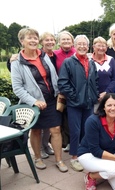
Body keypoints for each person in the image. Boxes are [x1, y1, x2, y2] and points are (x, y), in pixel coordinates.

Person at [11, 28, 67, 172]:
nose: (33, 41)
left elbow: (53, 76)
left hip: (51, 99)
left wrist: (58, 91)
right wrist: (33, 101)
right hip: (34, 103)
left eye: (35, 38)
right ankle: (37, 158)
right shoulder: (17, 62)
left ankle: (59, 160)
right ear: (22, 41)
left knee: (55, 129)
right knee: (36, 131)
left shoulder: (43, 55)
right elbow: (17, 88)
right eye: (29, 38)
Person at [77, 93, 115, 190]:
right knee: (114, 169)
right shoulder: (92, 121)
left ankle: (110, 170)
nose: (112, 108)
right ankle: (91, 176)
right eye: (109, 105)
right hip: (89, 154)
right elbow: (95, 150)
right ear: (103, 107)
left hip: (110, 150)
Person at [58, 35, 98, 172]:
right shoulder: (68, 62)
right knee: (75, 131)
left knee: (87, 129)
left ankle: (84, 153)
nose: (82, 46)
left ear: (88, 46)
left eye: (84, 44)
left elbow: (95, 81)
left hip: (89, 103)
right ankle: (74, 157)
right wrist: (74, 96)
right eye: (79, 44)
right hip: (75, 103)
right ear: (75, 45)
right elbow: (63, 83)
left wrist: (94, 95)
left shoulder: (91, 62)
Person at [54, 30, 76, 152]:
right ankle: (63, 140)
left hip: (75, 91)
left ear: (72, 42)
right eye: (63, 39)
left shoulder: (77, 53)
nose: (66, 41)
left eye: (68, 39)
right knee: (61, 117)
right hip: (61, 92)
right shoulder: (54, 54)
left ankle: (71, 142)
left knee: (72, 118)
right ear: (59, 42)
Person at [38, 32, 57, 159]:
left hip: (52, 94)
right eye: (46, 40)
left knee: (49, 125)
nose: (49, 42)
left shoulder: (54, 55)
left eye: (52, 40)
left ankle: (46, 145)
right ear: (41, 42)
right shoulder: (38, 55)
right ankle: (39, 148)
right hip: (39, 95)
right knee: (39, 126)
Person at [91, 36, 115, 106]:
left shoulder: (111, 59)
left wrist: (106, 92)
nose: (101, 48)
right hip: (92, 97)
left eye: (103, 46)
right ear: (93, 47)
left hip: (108, 96)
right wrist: (96, 94)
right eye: (98, 46)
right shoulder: (88, 60)